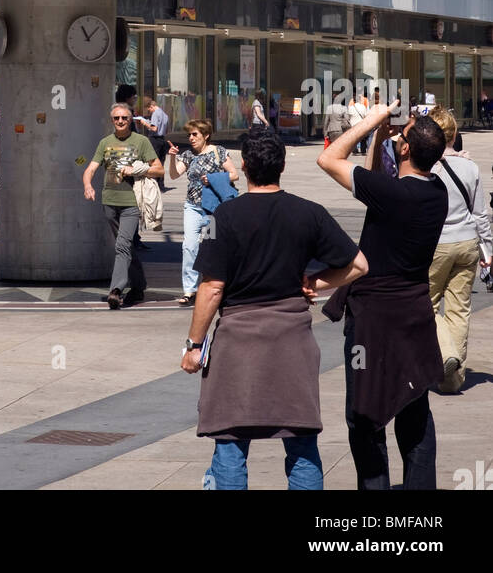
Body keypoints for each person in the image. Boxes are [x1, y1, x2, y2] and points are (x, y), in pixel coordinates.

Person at [181, 127, 367, 490]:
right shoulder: (309, 213)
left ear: (245, 166)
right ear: (282, 165)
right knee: (301, 444)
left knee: (230, 444)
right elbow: (359, 265)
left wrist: (194, 345)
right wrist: (314, 283)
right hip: (292, 342)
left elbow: (212, 287)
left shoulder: (224, 217)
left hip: (238, 343)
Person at [317, 103, 448, 491]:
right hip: (414, 315)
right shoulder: (435, 192)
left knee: (364, 413)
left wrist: (372, 120)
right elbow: (376, 185)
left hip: (373, 321)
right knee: (414, 411)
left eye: (401, 136)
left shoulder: (394, 194)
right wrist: (382, 139)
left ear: (405, 150)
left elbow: (329, 158)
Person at [427, 105, 493, 393]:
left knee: (424, 304)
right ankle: (452, 380)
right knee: (459, 310)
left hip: (435, 245)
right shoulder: (470, 166)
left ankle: (444, 354)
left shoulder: (426, 166)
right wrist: (487, 251)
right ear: (455, 135)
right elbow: (480, 214)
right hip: (466, 243)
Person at [83, 104, 163, 309]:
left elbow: (159, 170)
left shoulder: (141, 141)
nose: (120, 121)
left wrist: (138, 169)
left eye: (124, 118)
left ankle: (116, 290)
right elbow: (90, 168)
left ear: (131, 119)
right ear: (112, 120)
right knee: (125, 246)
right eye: (116, 118)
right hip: (109, 202)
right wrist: (87, 185)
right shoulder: (105, 143)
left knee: (121, 245)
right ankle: (139, 286)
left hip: (131, 203)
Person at [167, 120, 238, 306]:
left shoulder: (218, 151)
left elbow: (234, 174)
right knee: (189, 247)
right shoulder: (188, 155)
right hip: (192, 207)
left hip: (213, 209)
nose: (191, 138)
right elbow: (174, 175)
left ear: (206, 135)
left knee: (213, 246)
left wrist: (213, 178)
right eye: (189, 135)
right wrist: (173, 158)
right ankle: (190, 291)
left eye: (195, 134)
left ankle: (213, 286)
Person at [137, 96, 170, 191]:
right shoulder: (164, 114)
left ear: (151, 106)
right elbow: (166, 129)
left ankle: (153, 183)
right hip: (162, 139)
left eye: (149, 110)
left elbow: (154, 128)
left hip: (154, 139)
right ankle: (161, 184)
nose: (149, 112)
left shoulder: (156, 113)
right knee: (161, 162)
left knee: (153, 161)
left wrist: (145, 123)